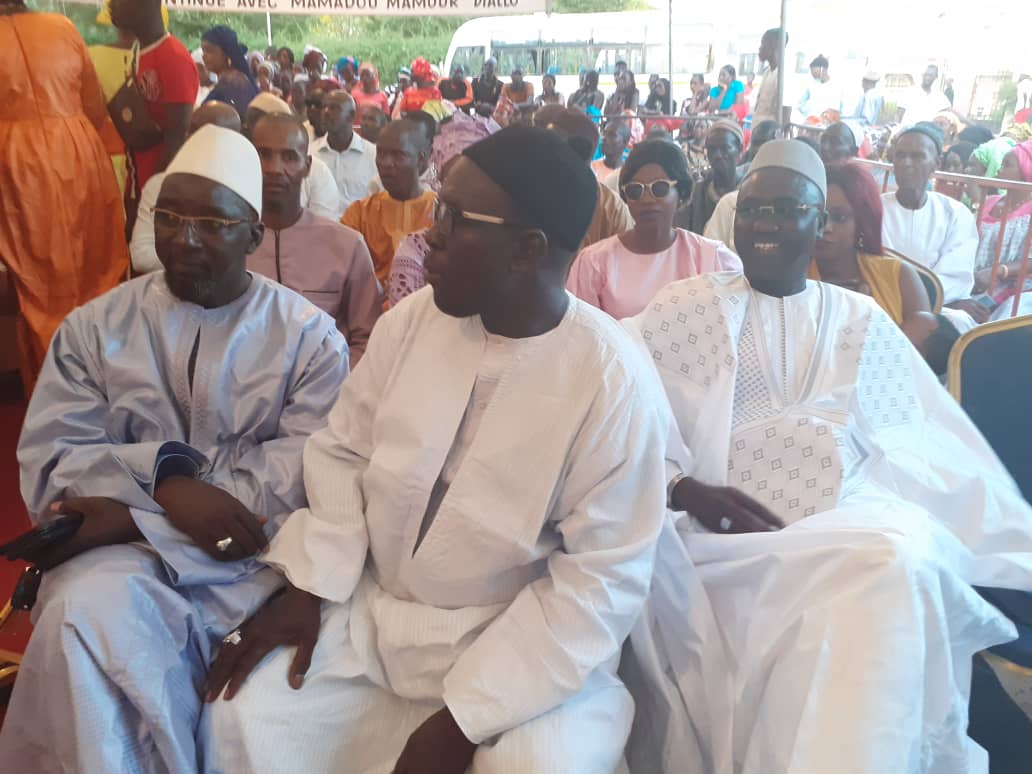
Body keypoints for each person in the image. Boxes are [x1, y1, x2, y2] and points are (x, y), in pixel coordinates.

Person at [201, 124, 669, 774]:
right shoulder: (410, 323)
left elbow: (601, 582)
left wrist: (463, 720)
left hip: (512, 648)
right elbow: (341, 455)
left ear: (526, 251)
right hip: (374, 621)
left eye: (453, 217)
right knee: (242, 716)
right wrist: (311, 586)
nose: (428, 235)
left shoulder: (612, 379)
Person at [624, 138, 1032, 774]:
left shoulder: (859, 316)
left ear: (822, 223)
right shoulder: (687, 307)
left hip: (845, 519)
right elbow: (621, 420)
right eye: (756, 208)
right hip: (717, 540)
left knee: (893, 562)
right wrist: (683, 489)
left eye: (789, 210)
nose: (767, 224)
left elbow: (916, 439)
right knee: (879, 566)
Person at [0, 124, 348, 773]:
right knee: (80, 620)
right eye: (170, 218)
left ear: (253, 233)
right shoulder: (94, 329)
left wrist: (141, 509)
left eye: (212, 224)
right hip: (118, 558)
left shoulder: (309, 341)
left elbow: (308, 469)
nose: (184, 240)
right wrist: (164, 484)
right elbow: (55, 459)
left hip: (254, 566)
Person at [0, 2, 129, 395]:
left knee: (39, 289)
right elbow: (93, 105)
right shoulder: (62, 26)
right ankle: (111, 382)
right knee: (99, 270)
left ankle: (54, 399)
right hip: (79, 154)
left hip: (16, 167)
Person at [248, 113, 381, 364]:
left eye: (289, 157)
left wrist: (332, 388)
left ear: (307, 165)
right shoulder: (229, 242)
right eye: (263, 155)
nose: (274, 168)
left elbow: (368, 337)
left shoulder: (346, 246)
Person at [568, 139, 740, 319]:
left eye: (660, 188)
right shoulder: (594, 263)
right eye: (636, 190)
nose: (647, 199)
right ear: (626, 197)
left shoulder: (710, 258)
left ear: (681, 194)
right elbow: (581, 333)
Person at [812, 161, 937, 354]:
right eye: (818, 216)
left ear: (863, 222)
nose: (826, 227)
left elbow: (918, 363)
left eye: (840, 217)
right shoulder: (789, 275)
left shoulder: (899, 276)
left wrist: (869, 322)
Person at [385, 108, 500, 306]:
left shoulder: (508, 247)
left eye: (472, 180)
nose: (458, 188)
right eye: (448, 178)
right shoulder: (417, 249)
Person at [881, 123, 981, 325]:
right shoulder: (875, 208)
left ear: (936, 163)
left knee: (961, 322)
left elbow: (955, 276)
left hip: (937, 306)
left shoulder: (955, 214)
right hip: (882, 300)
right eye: (900, 156)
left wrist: (920, 304)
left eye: (917, 156)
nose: (907, 163)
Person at [108, 0, 196, 197]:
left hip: (160, 188)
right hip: (137, 178)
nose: (112, 5)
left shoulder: (174, 56)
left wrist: (151, 196)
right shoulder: (137, 50)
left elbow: (177, 136)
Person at [343, 117, 436, 288]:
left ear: (421, 159)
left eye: (398, 155)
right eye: (381, 153)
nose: (385, 163)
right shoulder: (359, 213)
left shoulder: (439, 213)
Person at [539, 108, 635, 250]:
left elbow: (623, 263)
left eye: (552, 142)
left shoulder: (612, 208)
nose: (543, 149)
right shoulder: (534, 190)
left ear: (580, 151)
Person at [970, 141, 1032, 320]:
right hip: (975, 284)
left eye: (1007, 165)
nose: (999, 169)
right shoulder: (989, 201)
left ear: (1026, 170)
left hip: (1016, 291)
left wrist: (997, 271)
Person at [312, 91, 378, 212]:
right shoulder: (310, 154)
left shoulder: (373, 155)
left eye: (334, 108)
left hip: (358, 229)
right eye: (324, 107)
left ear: (351, 115)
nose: (326, 112)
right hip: (319, 227)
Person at [681, 119, 746, 234]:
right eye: (712, 149)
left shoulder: (748, 192)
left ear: (740, 151)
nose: (717, 155)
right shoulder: (699, 192)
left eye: (725, 148)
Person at [201, 25, 259, 118]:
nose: (204, 56)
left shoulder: (233, 82)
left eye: (209, 51)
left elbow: (236, 120)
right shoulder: (227, 79)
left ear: (225, 53)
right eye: (203, 51)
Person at [752, 28, 789, 126]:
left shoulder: (784, 75)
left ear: (774, 46)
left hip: (770, 133)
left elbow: (785, 111)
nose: (760, 48)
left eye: (763, 44)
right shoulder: (767, 72)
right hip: (758, 128)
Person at [796, 55, 841, 121]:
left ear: (822, 69)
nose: (811, 73)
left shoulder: (836, 86)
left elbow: (840, 111)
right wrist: (810, 114)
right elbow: (800, 103)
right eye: (811, 71)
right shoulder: (811, 85)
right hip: (813, 123)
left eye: (813, 71)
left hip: (829, 125)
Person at [591, 118, 632, 190]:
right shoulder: (592, 169)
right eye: (604, 133)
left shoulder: (629, 173)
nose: (604, 138)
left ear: (625, 142)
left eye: (612, 135)